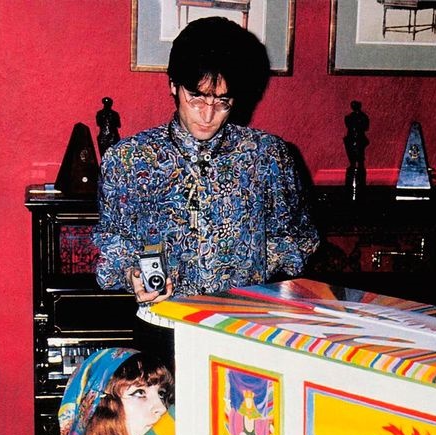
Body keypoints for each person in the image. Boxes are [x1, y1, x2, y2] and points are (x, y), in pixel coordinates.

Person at [93, 17, 319, 368]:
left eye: (222, 101)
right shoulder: (128, 158)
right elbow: (113, 245)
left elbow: (298, 239)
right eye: (196, 96)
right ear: (173, 85)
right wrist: (133, 276)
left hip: (244, 331)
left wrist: (254, 267)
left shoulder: (268, 155)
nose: (208, 114)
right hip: (162, 330)